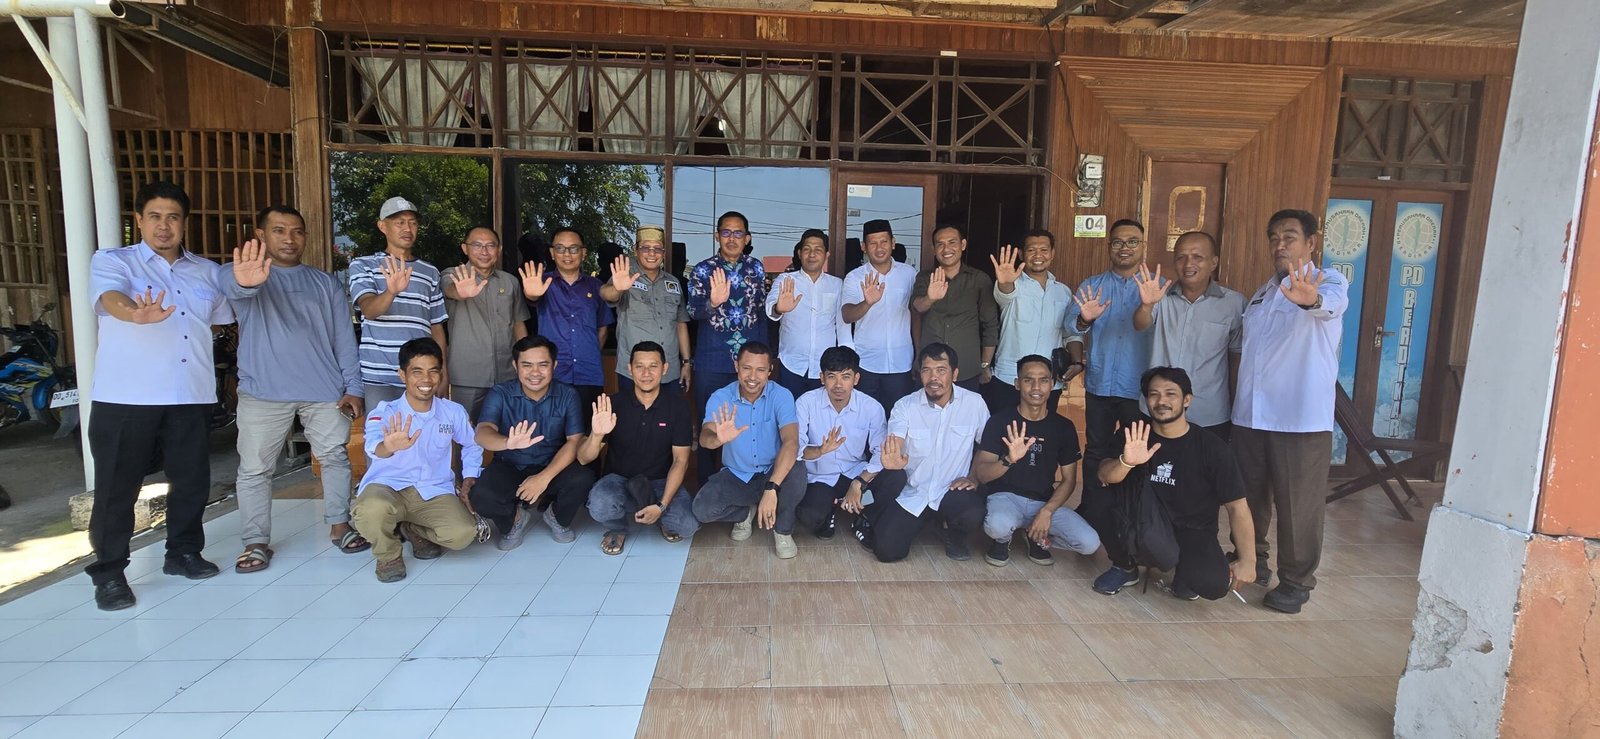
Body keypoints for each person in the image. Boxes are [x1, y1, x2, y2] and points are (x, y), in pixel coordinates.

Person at [84, 181, 234, 610]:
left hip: (190, 394)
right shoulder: (114, 261)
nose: (163, 226)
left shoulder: (206, 271)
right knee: (117, 489)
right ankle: (110, 572)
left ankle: (183, 552)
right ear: (139, 220)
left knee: (190, 481)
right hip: (127, 397)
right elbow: (110, 298)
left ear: (184, 223)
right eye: (154, 216)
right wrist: (135, 313)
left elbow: (222, 319)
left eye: (172, 217)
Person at [220, 206, 367, 575]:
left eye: (297, 231)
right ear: (261, 235)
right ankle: (255, 542)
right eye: (279, 230)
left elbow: (343, 339)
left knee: (335, 458)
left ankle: (340, 525)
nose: (289, 238)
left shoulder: (325, 283)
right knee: (255, 470)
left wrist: (353, 387)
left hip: (323, 389)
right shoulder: (241, 274)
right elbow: (232, 289)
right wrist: (247, 282)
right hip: (262, 392)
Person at [1233, 209, 1349, 614]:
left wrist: (1310, 299)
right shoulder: (1263, 293)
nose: (1279, 244)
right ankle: (1254, 560)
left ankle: (1297, 581)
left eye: (1289, 237)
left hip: (1298, 419)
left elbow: (1328, 305)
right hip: (1250, 416)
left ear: (1311, 243)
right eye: (1274, 237)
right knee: (1249, 497)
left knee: (1298, 506)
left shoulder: (1328, 281)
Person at [1081, 367, 1257, 602]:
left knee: (1212, 584)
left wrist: (1248, 560)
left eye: (1170, 394)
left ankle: (1184, 572)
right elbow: (1104, 475)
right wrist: (1126, 462)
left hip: (1192, 530)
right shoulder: (1134, 434)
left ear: (1187, 400)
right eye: (1153, 394)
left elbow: (1237, 507)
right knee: (1098, 500)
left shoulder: (1212, 448)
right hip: (1142, 523)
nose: (1161, 401)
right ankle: (1125, 566)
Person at [350, 338, 483, 583]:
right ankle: (388, 555)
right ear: (402, 375)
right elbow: (373, 447)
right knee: (369, 510)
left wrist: (470, 477)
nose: (426, 379)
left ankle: (413, 529)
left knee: (463, 533)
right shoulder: (385, 412)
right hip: (389, 486)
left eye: (433, 371)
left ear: (441, 374)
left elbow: (472, 443)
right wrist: (388, 447)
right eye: (417, 371)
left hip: (433, 489)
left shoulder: (452, 412)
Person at [853, 342, 990, 563]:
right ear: (920, 374)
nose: (933, 377)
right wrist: (893, 457)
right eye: (927, 370)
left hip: (951, 490)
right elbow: (895, 440)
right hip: (914, 491)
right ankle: (875, 519)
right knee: (887, 551)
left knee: (972, 512)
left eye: (941, 370)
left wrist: (973, 477)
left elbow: (987, 447)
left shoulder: (974, 404)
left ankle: (953, 533)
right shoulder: (905, 406)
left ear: (955, 374)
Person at [970, 355, 1099, 567]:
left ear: (1053, 384)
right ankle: (1002, 540)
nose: (1036, 387)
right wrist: (1008, 460)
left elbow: (1068, 480)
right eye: (1028, 380)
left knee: (1089, 543)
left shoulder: (1063, 427)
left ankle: (1037, 536)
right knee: (997, 526)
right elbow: (982, 474)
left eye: (1044, 380)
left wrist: (1047, 512)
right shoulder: (1000, 421)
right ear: (1017, 384)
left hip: (1043, 501)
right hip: (1005, 498)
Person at [470, 335, 595, 547]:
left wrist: (543, 478)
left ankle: (556, 517)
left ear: (554, 365)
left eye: (543, 365)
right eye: (527, 365)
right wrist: (508, 443)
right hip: (510, 464)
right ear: (515, 366)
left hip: (553, 464)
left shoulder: (568, 395)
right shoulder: (500, 393)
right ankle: (514, 519)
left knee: (583, 479)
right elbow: (482, 432)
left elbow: (574, 442)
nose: (535, 373)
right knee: (481, 496)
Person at [579, 341, 700, 554]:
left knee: (686, 525)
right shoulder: (613, 404)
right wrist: (596, 435)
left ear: (664, 368)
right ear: (629, 369)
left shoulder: (678, 406)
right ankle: (617, 528)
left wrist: (662, 505)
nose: (646, 373)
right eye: (639, 366)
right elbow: (583, 458)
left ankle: (660, 515)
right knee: (599, 504)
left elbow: (680, 461)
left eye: (653, 366)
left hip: (662, 481)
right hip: (620, 480)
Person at [691, 342, 805, 559]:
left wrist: (772, 487)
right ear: (736, 366)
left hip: (772, 473)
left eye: (761, 369)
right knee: (702, 509)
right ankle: (745, 512)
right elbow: (705, 438)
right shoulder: (721, 397)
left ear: (770, 370)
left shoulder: (781, 395)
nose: (753, 377)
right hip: (737, 475)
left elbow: (791, 442)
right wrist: (717, 439)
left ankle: (782, 530)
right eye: (746, 368)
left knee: (797, 471)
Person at [1132, 231, 1245, 440]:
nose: (1188, 264)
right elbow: (1140, 324)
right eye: (1181, 257)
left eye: (1197, 257)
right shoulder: (1160, 297)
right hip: (1159, 409)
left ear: (1213, 262)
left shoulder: (1234, 303)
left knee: (1208, 461)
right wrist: (1146, 305)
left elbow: (1236, 358)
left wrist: (1236, 405)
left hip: (1210, 412)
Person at [687, 212, 770, 483]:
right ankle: (706, 489)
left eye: (738, 233)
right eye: (726, 232)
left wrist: (764, 360)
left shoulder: (756, 269)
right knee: (710, 427)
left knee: (746, 428)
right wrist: (712, 303)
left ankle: (742, 488)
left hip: (748, 367)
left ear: (747, 238)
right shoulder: (703, 270)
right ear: (717, 236)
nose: (732, 238)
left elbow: (760, 314)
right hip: (712, 361)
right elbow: (692, 312)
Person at [348, 196, 449, 406]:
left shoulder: (429, 272)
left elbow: (436, 327)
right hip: (379, 376)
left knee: (423, 427)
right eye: (399, 222)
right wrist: (391, 292)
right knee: (383, 427)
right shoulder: (363, 265)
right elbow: (369, 310)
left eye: (413, 223)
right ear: (382, 226)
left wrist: (442, 371)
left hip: (422, 375)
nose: (407, 228)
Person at [1067, 219, 1154, 462]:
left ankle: (1130, 491)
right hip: (1100, 383)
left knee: (1137, 450)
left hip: (1140, 387)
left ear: (1143, 245)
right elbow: (1070, 326)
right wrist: (1084, 320)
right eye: (1117, 242)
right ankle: (1093, 490)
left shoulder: (1156, 287)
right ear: (1109, 247)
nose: (1124, 248)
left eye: (1132, 242)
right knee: (1096, 449)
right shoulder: (1092, 285)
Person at [793, 346, 886, 540]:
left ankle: (862, 513)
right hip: (820, 477)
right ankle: (833, 507)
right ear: (822, 378)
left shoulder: (871, 407)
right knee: (809, 516)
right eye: (831, 376)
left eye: (845, 377)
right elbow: (795, 448)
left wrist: (859, 482)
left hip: (854, 473)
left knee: (892, 482)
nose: (838, 384)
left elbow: (880, 452)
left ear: (856, 379)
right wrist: (820, 450)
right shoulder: (806, 403)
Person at [521, 228, 613, 417]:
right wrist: (531, 293)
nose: (567, 254)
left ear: (583, 253)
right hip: (551, 373)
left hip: (588, 373)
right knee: (550, 429)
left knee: (588, 429)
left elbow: (603, 328)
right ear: (552, 253)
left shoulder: (596, 286)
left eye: (573, 248)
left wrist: (589, 352)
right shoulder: (541, 282)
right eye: (560, 248)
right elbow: (532, 297)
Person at [989, 230, 1081, 413]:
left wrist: (1077, 363)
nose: (1038, 255)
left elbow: (1070, 333)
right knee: (1005, 428)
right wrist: (1004, 282)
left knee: (1044, 429)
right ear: (1021, 254)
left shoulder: (1063, 292)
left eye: (1044, 250)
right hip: (1010, 377)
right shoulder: (1013, 284)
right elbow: (1004, 295)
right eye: (1031, 250)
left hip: (1048, 381)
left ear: (1052, 253)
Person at [443, 226, 529, 419]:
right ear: (465, 248)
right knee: (464, 430)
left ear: (499, 249)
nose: (484, 251)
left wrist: (526, 362)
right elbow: (450, 290)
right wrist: (460, 292)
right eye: (477, 245)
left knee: (508, 429)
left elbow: (518, 324)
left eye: (490, 245)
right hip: (467, 376)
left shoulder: (510, 282)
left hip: (507, 374)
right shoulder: (453, 275)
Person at [603, 224, 691, 396]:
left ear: (664, 253)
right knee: (632, 413)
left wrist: (686, 363)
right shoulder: (626, 277)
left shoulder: (673, 283)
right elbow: (606, 294)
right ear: (635, 250)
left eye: (657, 249)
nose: (652, 253)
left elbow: (680, 325)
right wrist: (617, 289)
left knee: (669, 413)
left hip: (669, 370)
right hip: (633, 372)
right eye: (645, 248)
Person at [911, 224, 999, 394]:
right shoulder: (925, 277)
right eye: (940, 244)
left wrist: (985, 365)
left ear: (963, 245)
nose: (946, 249)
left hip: (966, 368)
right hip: (930, 368)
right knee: (925, 409)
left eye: (952, 242)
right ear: (933, 249)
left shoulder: (979, 279)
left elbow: (990, 325)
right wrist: (930, 298)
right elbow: (917, 308)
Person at [842, 219, 918, 412]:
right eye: (873, 243)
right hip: (866, 363)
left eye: (884, 241)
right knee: (866, 419)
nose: (879, 248)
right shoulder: (855, 277)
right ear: (864, 247)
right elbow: (847, 315)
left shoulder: (909, 274)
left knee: (899, 418)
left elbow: (918, 313)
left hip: (901, 362)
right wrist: (867, 303)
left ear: (893, 243)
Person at [767, 229, 851, 399]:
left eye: (818, 250)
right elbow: (770, 309)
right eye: (807, 249)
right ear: (800, 253)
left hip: (826, 367)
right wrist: (779, 308)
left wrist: (848, 359)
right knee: (789, 412)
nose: (812, 254)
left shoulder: (836, 284)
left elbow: (842, 325)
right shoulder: (785, 280)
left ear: (826, 254)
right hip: (791, 364)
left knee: (822, 413)